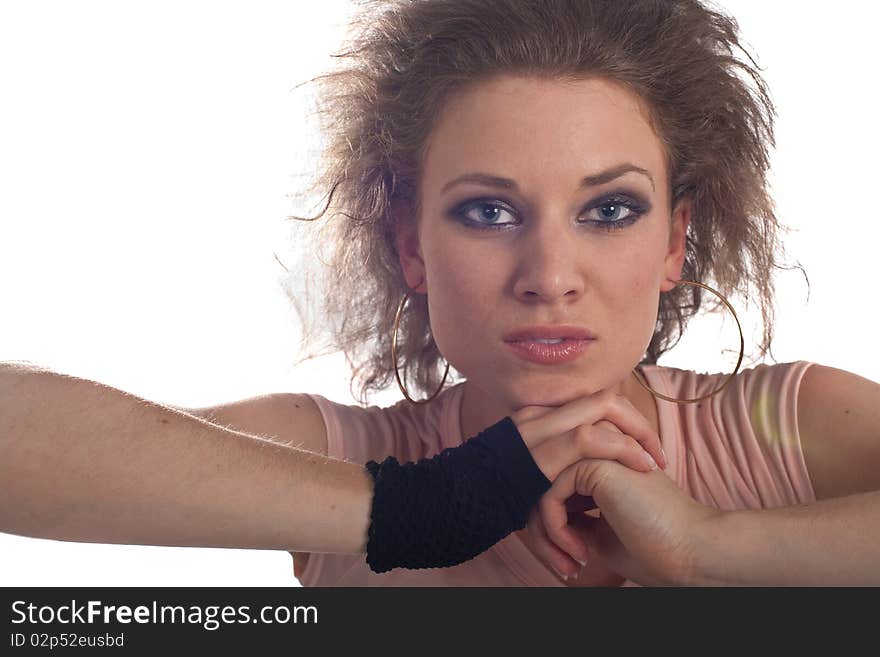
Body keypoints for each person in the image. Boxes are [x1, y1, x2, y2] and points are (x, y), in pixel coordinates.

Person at [2, 0, 879, 587]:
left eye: (608, 209)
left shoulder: (786, 431)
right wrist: (428, 506)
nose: (549, 275)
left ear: (675, 243)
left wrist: (708, 550)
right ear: (409, 246)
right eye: (488, 210)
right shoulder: (353, 453)